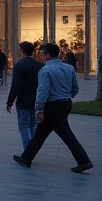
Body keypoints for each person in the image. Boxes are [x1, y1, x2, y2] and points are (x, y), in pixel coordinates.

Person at [13, 43, 93, 173]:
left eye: (42, 54)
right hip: (65, 103)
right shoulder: (69, 68)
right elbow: (75, 88)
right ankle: (26, 157)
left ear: (47, 55)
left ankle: (84, 161)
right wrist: (66, 96)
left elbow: (43, 91)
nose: (41, 56)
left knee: (66, 134)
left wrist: (38, 109)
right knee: (41, 132)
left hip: (52, 106)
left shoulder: (45, 70)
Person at [6, 41, 43, 151]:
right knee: (33, 127)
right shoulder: (39, 65)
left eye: (19, 49)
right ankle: (33, 149)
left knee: (23, 128)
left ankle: (28, 152)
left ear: (22, 50)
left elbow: (16, 85)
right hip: (35, 101)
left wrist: (10, 101)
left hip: (23, 101)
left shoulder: (19, 65)